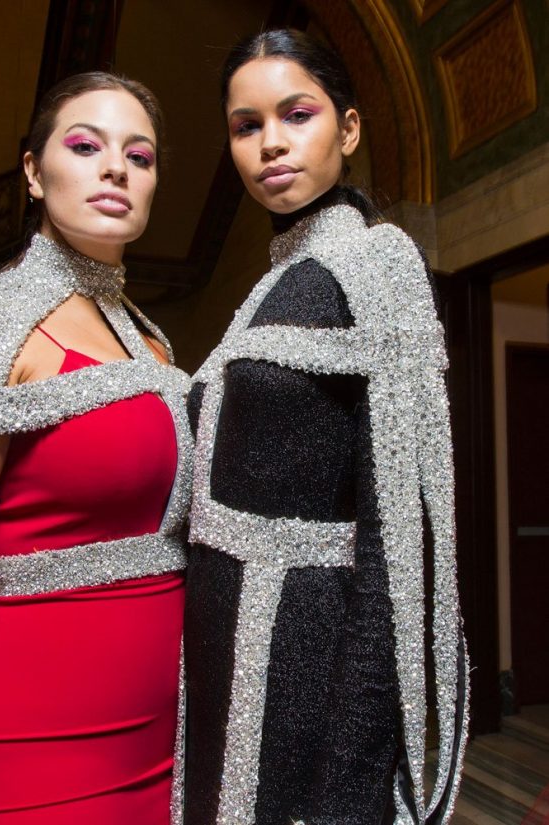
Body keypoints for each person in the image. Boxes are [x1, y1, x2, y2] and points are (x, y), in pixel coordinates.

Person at [184, 29, 468, 825]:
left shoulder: (377, 262)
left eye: (296, 114)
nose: (270, 142)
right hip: (221, 676)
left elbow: (400, 554)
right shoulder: (268, 286)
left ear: (347, 128)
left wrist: (347, 787)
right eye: (246, 126)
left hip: (307, 672)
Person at [0, 72, 193, 825]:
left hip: (164, 751)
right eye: (85, 145)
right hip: (38, 755)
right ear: (34, 172)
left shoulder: (156, 343)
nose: (115, 169)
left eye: (140, 156)